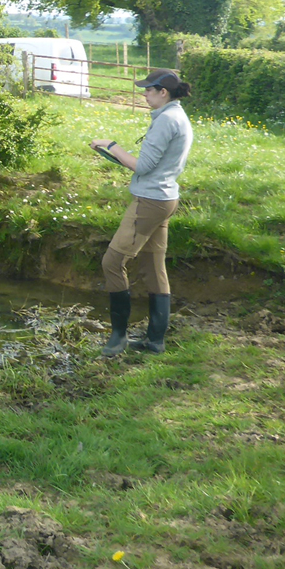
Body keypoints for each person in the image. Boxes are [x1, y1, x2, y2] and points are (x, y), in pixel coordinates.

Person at [89, 68, 194, 357]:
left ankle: (118, 337)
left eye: (148, 89)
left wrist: (110, 145)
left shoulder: (166, 121)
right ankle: (154, 341)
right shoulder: (176, 117)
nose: (144, 93)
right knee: (152, 267)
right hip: (164, 198)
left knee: (112, 262)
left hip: (149, 202)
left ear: (164, 93)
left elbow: (143, 166)